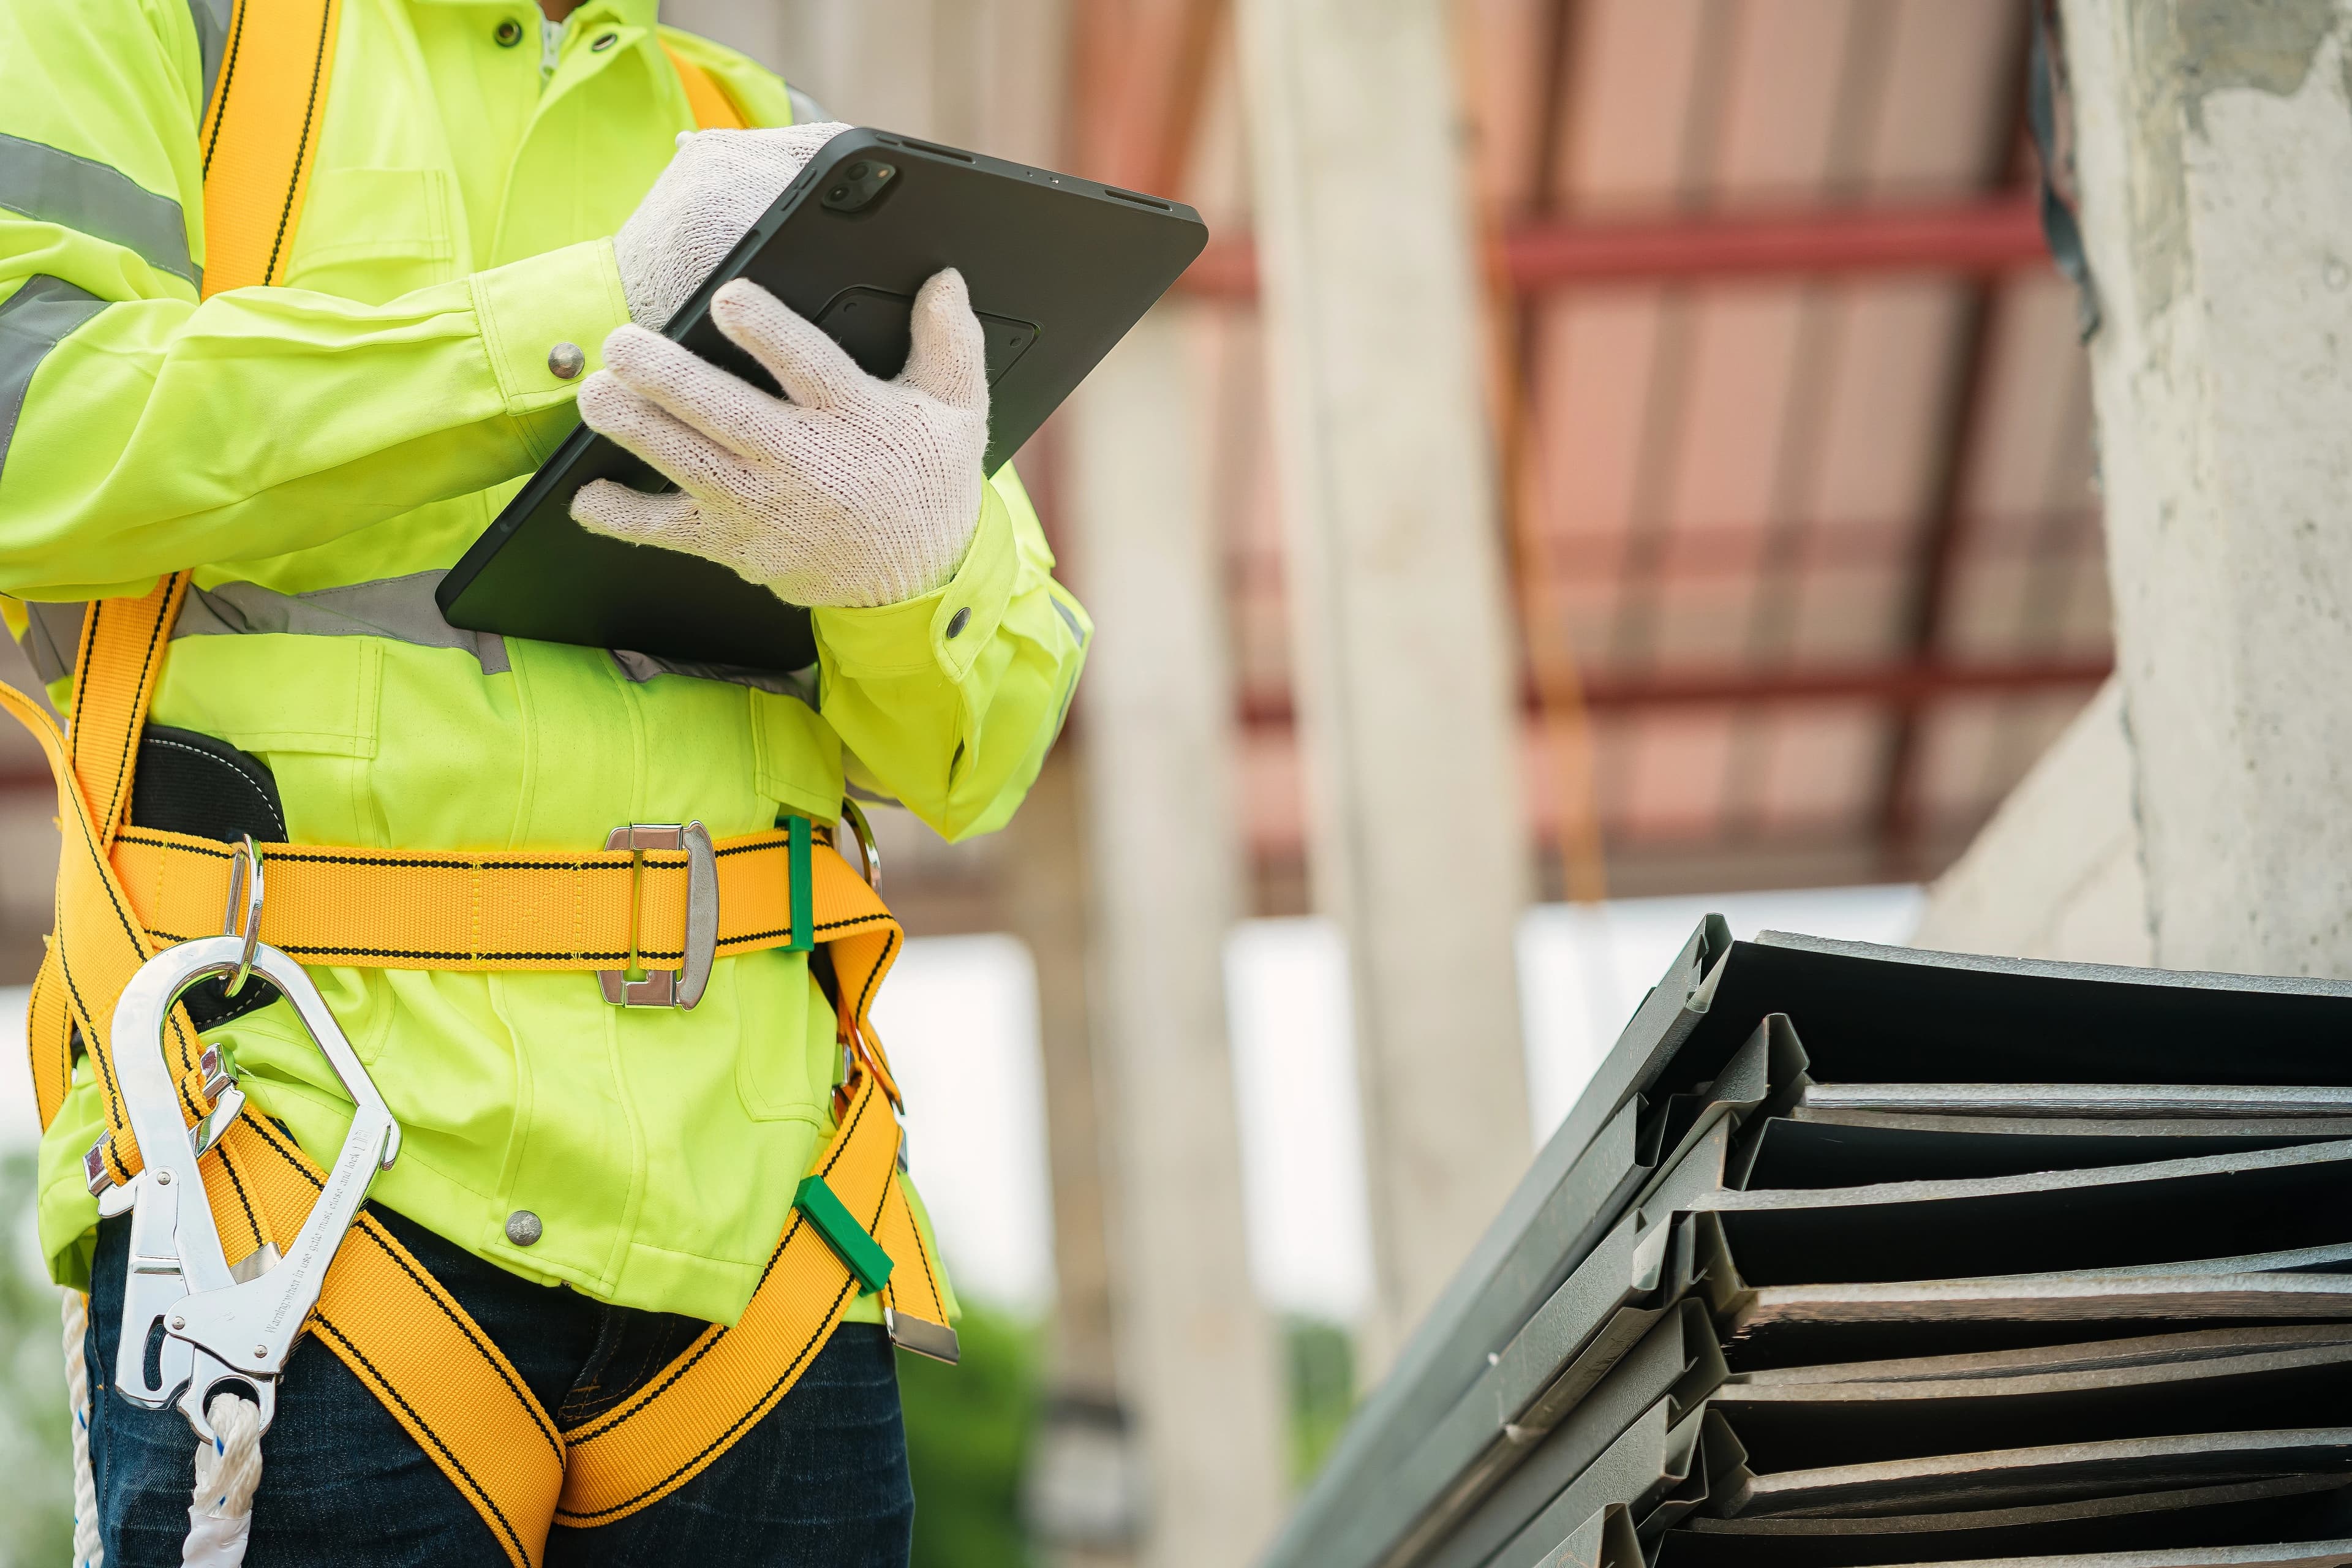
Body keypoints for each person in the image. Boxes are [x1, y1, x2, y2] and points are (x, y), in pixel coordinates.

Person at [0, 0, 1087, 1561]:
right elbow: (24, 429)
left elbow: (989, 739)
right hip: (297, 1183)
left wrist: (911, 566)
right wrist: (590, 320)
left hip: (768, 1246)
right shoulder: (168, 33)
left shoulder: (762, 132)